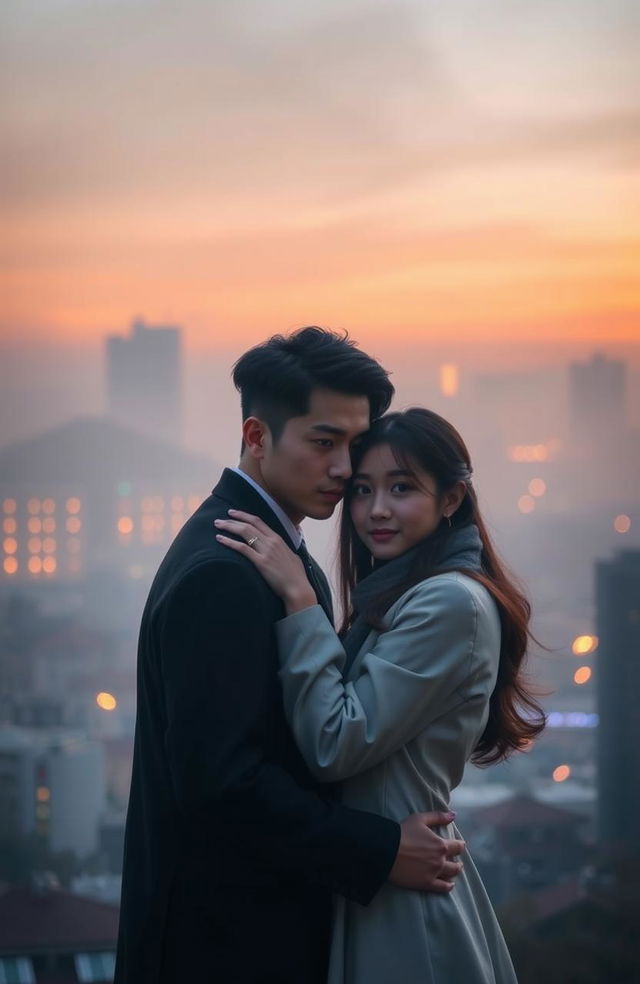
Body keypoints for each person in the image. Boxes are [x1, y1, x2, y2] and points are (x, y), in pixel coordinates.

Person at [115, 331, 466, 984]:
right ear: (256, 436)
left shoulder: (276, 553)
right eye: (323, 442)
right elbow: (223, 785)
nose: (344, 469)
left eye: (354, 447)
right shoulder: (224, 568)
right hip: (221, 949)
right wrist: (383, 850)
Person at [216, 407, 546, 984]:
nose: (377, 510)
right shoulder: (404, 594)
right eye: (362, 490)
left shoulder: (449, 602)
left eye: (402, 488)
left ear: (451, 499)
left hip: (403, 896)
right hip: (382, 873)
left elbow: (336, 742)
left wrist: (299, 600)